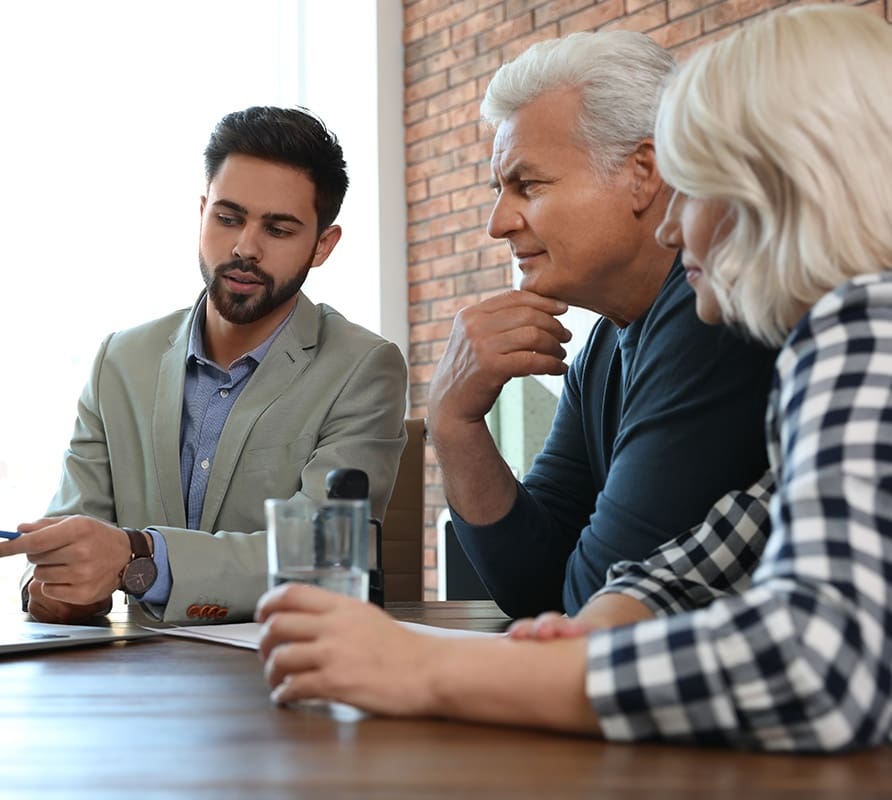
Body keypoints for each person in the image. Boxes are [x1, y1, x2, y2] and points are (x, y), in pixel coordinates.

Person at [257, 4, 892, 751]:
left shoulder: (858, 324)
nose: (670, 224)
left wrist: (433, 668)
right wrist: (456, 423)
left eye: (697, 185)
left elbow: (820, 666)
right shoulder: (624, 344)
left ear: (781, 185)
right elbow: (711, 548)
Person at [0, 106, 408, 625]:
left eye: (278, 230)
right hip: (131, 677)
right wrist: (56, 583)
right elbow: (74, 526)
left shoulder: (364, 368)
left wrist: (138, 555)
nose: (243, 248)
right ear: (203, 210)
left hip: (281, 676)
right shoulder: (118, 361)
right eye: (228, 219)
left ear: (323, 245)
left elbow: (326, 558)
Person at [429, 29, 777, 618]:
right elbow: (535, 587)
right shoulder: (607, 341)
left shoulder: (712, 319)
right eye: (499, 189)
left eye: (528, 184)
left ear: (643, 172)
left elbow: (594, 604)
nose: (497, 222)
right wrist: (453, 423)